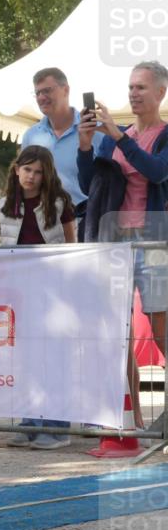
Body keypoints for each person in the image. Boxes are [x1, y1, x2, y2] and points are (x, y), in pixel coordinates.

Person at [78, 60, 168, 430]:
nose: (133, 93)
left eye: (141, 87)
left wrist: (119, 137)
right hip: (115, 240)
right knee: (118, 328)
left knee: (159, 323)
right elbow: (89, 185)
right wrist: (85, 146)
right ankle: (131, 415)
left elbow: (157, 171)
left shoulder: (159, 134)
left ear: (161, 92)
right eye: (130, 87)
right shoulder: (119, 134)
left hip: (155, 241)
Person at [0, 146, 76, 449]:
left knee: (52, 359)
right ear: (17, 170)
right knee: (26, 359)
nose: (31, 176)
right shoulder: (5, 205)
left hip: (53, 291)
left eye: (38, 171)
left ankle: (58, 427)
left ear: (46, 175)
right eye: (27, 169)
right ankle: (31, 422)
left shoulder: (58, 204)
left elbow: (71, 244)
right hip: (20, 292)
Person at [23, 67, 104, 241]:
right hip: (44, 229)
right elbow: (24, 184)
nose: (41, 97)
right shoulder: (31, 136)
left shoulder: (96, 132)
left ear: (66, 90)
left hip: (87, 227)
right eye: (37, 93)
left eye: (47, 91)